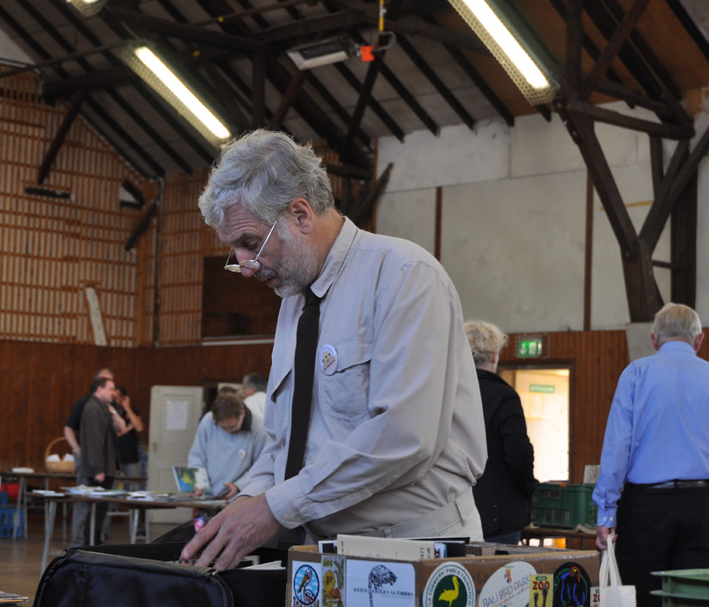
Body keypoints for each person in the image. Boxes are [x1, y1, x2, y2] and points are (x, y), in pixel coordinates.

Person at [181, 129, 487, 570]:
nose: (245, 267)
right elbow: (284, 443)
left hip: (417, 549)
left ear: (300, 214)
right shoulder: (294, 303)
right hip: (324, 550)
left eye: (249, 243)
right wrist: (248, 501)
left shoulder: (404, 276)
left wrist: (275, 508)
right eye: (235, 252)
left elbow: (404, 436)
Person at [592, 303, 709, 607]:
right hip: (704, 507)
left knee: (644, 599)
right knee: (697, 600)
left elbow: (617, 451)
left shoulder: (635, 374)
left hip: (646, 509)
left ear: (654, 340)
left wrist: (606, 512)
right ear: (699, 340)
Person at [464, 320, 535, 545]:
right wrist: (528, 492)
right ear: (494, 356)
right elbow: (518, 455)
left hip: (455, 513)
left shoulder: (448, 395)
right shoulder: (505, 397)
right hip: (498, 515)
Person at [65, 368, 120, 546]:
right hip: (97, 467)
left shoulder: (103, 407)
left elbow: (119, 429)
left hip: (103, 465)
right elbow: (95, 441)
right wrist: (98, 468)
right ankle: (83, 544)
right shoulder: (92, 408)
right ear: (99, 388)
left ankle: (94, 542)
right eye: (111, 388)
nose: (114, 393)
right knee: (90, 507)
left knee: (100, 508)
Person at [188, 393, 268, 500]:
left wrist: (239, 485)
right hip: (206, 494)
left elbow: (261, 466)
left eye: (231, 427)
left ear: (242, 414)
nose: (227, 431)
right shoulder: (208, 420)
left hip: (238, 495)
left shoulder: (259, 427)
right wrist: (197, 483)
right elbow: (197, 456)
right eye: (223, 428)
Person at [113, 386, 144, 491]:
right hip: (114, 457)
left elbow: (139, 427)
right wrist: (129, 427)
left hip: (130, 456)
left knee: (134, 487)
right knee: (112, 487)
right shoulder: (110, 412)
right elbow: (115, 434)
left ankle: (133, 504)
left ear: (123, 398)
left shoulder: (132, 411)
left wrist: (128, 408)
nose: (114, 400)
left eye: (116, 398)